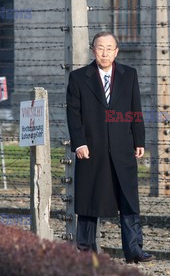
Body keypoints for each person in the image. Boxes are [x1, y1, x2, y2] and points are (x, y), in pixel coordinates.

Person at [66, 31, 154, 263]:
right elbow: (73, 114)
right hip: (91, 148)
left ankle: (134, 249)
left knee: (128, 198)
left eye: (109, 48)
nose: (104, 53)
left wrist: (139, 139)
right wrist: (79, 143)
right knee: (89, 198)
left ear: (116, 51)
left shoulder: (129, 75)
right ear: (92, 50)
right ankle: (85, 250)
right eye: (99, 48)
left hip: (122, 146)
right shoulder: (78, 78)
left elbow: (136, 109)